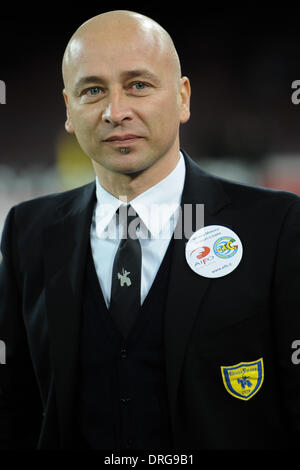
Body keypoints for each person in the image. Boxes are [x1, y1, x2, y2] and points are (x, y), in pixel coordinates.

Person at [0, 10, 300, 451]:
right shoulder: (28, 231)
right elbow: (15, 410)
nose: (115, 112)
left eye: (138, 85)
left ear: (182, 98)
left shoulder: (277, 228)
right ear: (68, 110)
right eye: (93, 90)